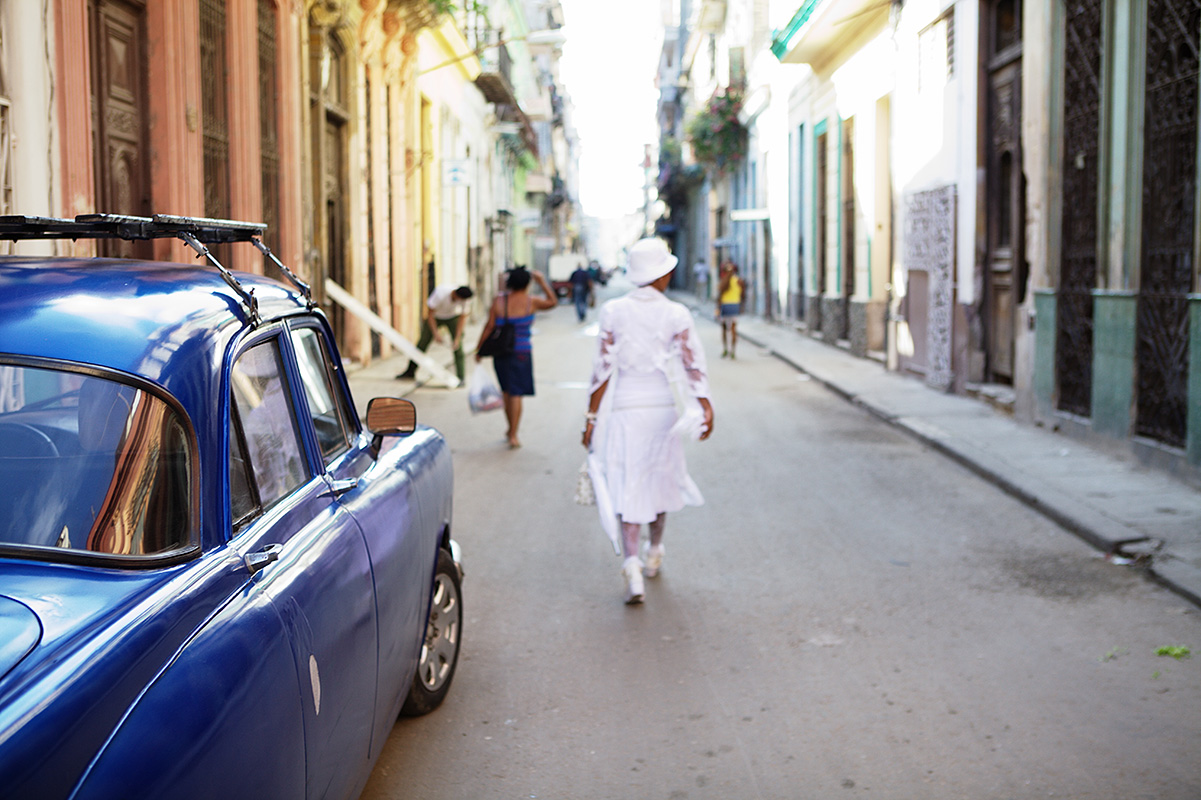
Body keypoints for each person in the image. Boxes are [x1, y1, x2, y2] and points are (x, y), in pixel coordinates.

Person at [582, 237, 714, 604]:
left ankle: (632, 566)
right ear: (662, 273)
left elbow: (602, 370)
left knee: (629, 484)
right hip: (661, 409)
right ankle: (655, 550)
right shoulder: (676, 313)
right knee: (658, 480)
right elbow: (692, 362)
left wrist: (591, 418)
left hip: (625, 408)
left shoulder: (613, 311)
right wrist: (705, 405)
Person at [474, 267, 557, 448]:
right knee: (516, 393)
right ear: (527, 283)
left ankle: (510, 429)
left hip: (501, 352)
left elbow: (489, 327)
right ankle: (513, 434)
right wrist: (541, 280)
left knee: (506, 391)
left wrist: (479, 349)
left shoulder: (499, 301)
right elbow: (552, 302)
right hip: (521, 353)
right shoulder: (531, 302)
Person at [397, 284, 475, 382]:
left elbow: (462, 319)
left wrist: (457, 338)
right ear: (455, 294)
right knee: (422, 343)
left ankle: (461, 377)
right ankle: (410, 371)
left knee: (458, 347)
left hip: (452, 318)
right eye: (458, 299)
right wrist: (435, 334)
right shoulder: (440, 293)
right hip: (435, 317)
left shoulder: (464, 300)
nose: (459, 302)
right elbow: (430, 314)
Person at [716, 261, 744, 359]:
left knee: (724, 329)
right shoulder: (738, 281)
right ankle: (733, 351)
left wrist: (718, 309)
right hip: (735, 306)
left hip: (725, 306)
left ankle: (725, 349)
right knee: (733, 330)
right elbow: (742, 294)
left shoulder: (723, 281)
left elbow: (719, 297)